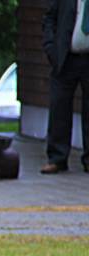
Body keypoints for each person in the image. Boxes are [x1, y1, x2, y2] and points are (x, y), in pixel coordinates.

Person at [41, 0, 89, 174]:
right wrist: (51, 47)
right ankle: (57, 158)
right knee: (59, 107)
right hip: (65, 57)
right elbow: (49, 19)